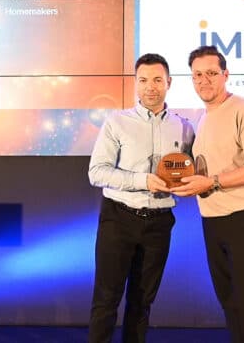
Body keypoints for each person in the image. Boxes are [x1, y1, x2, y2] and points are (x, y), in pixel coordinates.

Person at [88, 53, 194, 343]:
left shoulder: (184, 127)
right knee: (106, 300)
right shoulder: (117, 122)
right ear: (135, 83)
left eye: (157, 80)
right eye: (144, 80)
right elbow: (96, 172)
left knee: (142, 302)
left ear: (169, 83)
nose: (151, 87)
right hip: (118, 218)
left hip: (159, 222)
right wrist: (142, 180)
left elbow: (189, 171)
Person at [171, 45, 244, 343]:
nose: (204, 80)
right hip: (212, 216)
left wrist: (210, 183)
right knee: (228, 297)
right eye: (197, 75)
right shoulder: (204, 117)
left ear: (226, 74)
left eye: (211, 73)